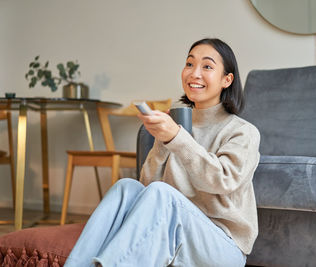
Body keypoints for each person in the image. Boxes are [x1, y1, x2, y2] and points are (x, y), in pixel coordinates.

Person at [64, 38, 260, 267]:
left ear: (227, 79)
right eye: (189, 64)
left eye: (207, 66)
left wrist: (177, 139)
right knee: (125, 188)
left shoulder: (243, 132)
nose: (194, 73)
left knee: (162, 193)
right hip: (174, 232)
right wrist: (162, 141)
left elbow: (222, 181)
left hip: (222, 246)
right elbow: (147, 191)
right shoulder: (175, 126)